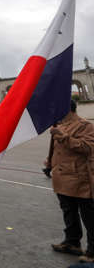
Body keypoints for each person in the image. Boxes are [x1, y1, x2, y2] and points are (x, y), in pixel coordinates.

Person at [50, 101, 94, 263]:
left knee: (89, 216)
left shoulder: (85, 125)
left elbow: (87, 148)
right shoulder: (59, 125)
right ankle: (72, 242)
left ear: (67, 109)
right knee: (69, 212)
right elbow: (58, 151)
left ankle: (92, 251)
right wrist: (50, 162)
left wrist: (64, 137)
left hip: (79, 179)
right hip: (62, 178)